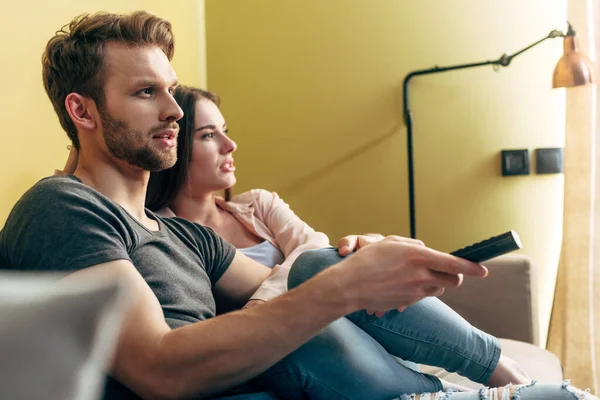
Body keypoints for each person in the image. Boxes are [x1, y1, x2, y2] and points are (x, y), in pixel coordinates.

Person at [0, 10, 594, 400]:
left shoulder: (180, 234)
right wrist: (339, 288)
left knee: (314, 269)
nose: (175, 111)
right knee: (303, 311)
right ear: (84, 112)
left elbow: (298, 279)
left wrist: (358, 264)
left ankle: (488, 380)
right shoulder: (65, 208)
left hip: (272, 383)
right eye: (145, 92)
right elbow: (159, 369)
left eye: (170, 91)